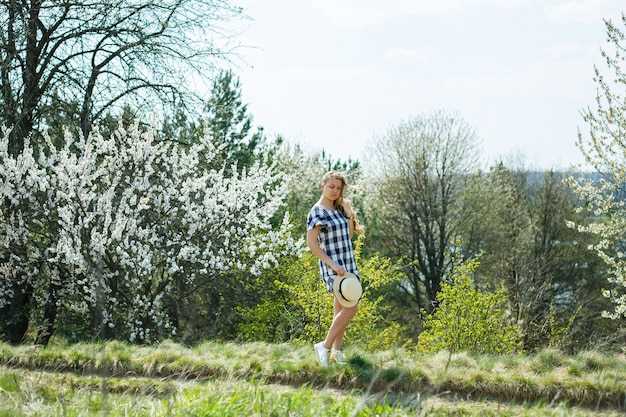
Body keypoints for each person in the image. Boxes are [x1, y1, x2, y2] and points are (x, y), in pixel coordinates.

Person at [306, 170, 365, 366]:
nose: (335, 191)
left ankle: (336, 352)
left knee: (341, 309)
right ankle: (324, 346)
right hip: (333, 266)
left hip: (348, 264)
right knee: (351, 307)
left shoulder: (340, 209)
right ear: (323, 186)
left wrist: (348, 214)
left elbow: (348, 236)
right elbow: (312, 243)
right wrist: (332, 264)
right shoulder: (317, 212)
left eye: (338, 188)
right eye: (331, 186)